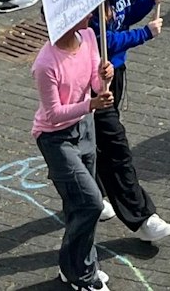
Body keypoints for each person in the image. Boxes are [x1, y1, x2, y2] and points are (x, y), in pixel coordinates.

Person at [31, 19, 116, 291]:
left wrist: (106, 76)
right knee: (91, 203)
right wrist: (91, 103)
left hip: (85, 128)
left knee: (79, 206)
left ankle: (76, 267)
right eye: (81, 12)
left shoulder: (89, 36)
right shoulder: (45, 65)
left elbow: (93, 81)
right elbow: (53, 115)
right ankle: (82, 275)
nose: (89, 15)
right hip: (56, 139)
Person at [98, 0, 170, 242]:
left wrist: (149, 1)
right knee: (115, 147)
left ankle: (90, 195)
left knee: (95, 144)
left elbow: (124, 14)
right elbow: (102, 40)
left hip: (114, 72)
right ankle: (142, 217)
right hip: (92, 82)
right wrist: (144, 34)